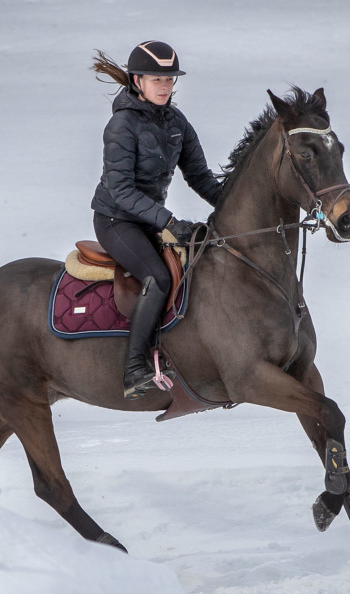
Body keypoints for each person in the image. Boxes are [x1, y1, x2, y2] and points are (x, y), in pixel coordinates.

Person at [90, 41, 222, 400]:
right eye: (156, 79)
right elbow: (121, 192)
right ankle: (134, 369)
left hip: (149, 220)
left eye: (169, 79)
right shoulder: (122, 125)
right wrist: (167, 221)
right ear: (138, 80)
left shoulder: (177, 122)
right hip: (117, 220)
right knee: (159, 277)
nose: (165, 86)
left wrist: (235, 205)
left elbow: (201, 177)